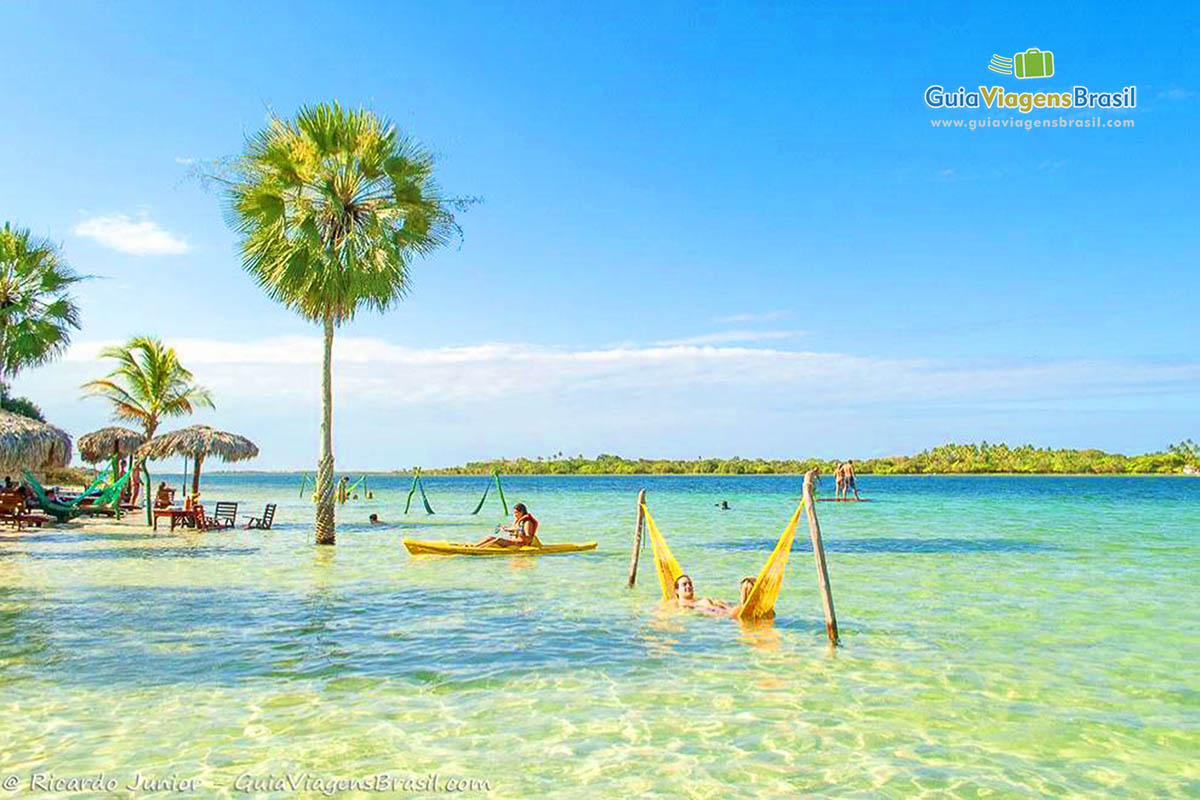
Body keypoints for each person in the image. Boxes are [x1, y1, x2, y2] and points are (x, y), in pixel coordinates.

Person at [474, 503, 539, 548]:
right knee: (489, 538)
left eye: (516, 512)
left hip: (520, 544)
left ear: (522, 512)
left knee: (497, 540)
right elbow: (514, 529)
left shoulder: (527, 522)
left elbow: (529, 538)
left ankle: (479, 549)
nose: (515, 514)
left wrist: (518, 533)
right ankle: (475, 546)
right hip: (514, 541)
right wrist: (505, 528)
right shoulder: (519, 521)